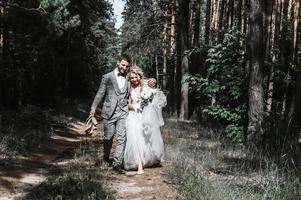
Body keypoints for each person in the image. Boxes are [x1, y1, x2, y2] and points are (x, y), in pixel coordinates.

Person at [90, 55, 156, 174]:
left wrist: (152, 81)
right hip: (109, 111)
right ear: (118, 62)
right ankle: (106, 158)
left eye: (126, 66)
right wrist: (93, 107)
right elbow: (100, 93)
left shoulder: (128, 78)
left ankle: (116, 164)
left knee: (121, 138)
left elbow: (140, 81)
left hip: (123, 111)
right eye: (123, 65)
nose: (124, 67)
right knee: (108, 137)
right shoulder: (107, 77)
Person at [124, 66, 166, 175]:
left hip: (145, 116)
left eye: (135, 77)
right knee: (135, 139)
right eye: (131, 78)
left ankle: (148, 158)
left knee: (145, 139)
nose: (133, 80)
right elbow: (128, 104)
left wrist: (154, 81)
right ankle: (139, 166)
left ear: (139, 76)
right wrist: (134, 107)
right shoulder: (129, 88)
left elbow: (153, 84)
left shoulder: (146, 85)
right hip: (133, 116)